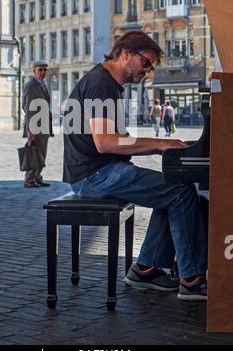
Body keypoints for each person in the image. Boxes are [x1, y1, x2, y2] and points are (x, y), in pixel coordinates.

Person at [63, 31, 208, 301]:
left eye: (151, 66)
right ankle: (192, 279)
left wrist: (161, 144)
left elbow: (118, 141)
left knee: (173, 191)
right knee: (181, 192)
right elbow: (106, 143)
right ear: (125, 53)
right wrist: (160, 145)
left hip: (94, 172)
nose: (148, 71)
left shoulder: (105, 82)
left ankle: (146, 268)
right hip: (94, 176)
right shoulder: (101, 84)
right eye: (146, 62)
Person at [22, 60, 53, 188]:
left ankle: (37, 177)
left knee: (42, 153)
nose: (43, 72)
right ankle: (29, 179)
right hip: (36, 125)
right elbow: (28, 107)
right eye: (40, 69)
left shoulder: (42, 84)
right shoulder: (31, 85)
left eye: (45, 70)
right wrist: (31, 129)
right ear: (34, 70)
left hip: (44, 125)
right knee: (34, 152)